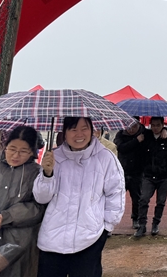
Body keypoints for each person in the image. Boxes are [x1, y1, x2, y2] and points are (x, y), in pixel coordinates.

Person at [34, 116, 125, 276]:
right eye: (73, 129)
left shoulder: (105, 158)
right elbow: (41, 198)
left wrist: (107, 228)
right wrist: (47, 174)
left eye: (84, 128)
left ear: (92, 130)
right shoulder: (54, 157)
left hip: (90, 238)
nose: (79, 134)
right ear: (65, 132)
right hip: (52, 237)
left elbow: (115, 193)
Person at [0, 126, 45, 277]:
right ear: (5, 146)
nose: (16, 155)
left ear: (32, 152)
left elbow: (38, 207)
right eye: (12, 149)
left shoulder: (37, 174)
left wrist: (7, 217)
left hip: (18, 245)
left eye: (23, 151)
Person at [134, 117, 167, 237]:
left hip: (164, 176)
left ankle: (156, 223)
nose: (155, 128)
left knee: (161, 201)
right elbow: (138, 130)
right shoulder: (146, 137)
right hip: (148, 175)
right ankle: (142, 225)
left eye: (158, 125)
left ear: (162, 125)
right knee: (143, 199)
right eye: (153, 125)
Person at [114, 116, 146, 229]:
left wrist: (165, 130)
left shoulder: (144, 134)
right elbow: (121, 148)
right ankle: (112, 220)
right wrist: (136, 141)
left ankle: (135, 218)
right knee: (116, 198)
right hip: (123, 170)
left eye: (134, 126)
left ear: (139, 125)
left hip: (137, 171)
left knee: (137, 198)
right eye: (129, 126)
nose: (131, 129)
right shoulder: (120, 134)